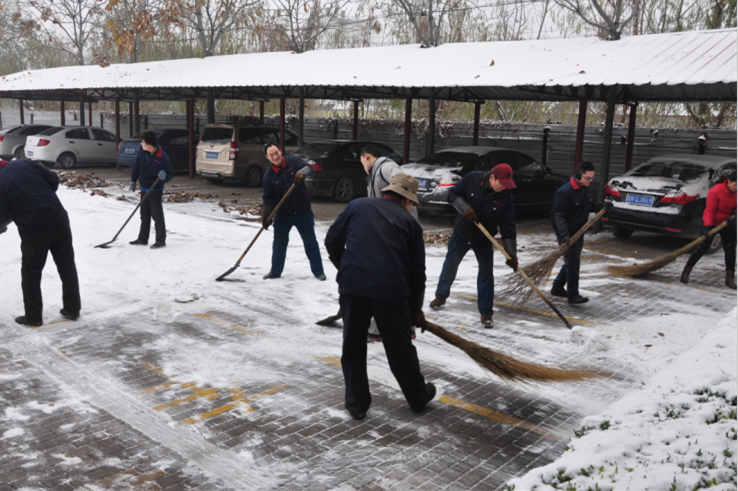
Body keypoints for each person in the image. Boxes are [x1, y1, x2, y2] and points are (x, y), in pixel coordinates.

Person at [324, 173, 435, 420]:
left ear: (388, 192)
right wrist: (415, 311)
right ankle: (418, 397)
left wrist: (347, 268)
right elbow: (418, 275)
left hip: (353, 288)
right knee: (400, 350)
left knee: (352, 347)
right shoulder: (410, 224)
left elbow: (332, 241)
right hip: (390, 291)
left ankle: (356, 405)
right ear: (407, 200)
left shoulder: (356, 205)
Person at [428, 164, 518, 329]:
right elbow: (453, 193)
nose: (503, 187)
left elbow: (508, 227)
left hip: (484, 237)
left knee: (486, 274)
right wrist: (465, 209)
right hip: (462, 231)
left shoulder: (506, 198)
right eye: (501, 183)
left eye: (507, 184)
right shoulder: (472, 179)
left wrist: (512, 254)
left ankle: (486, 314)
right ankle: (441, 295)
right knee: (451, 264)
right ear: (492, 177)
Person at [0, 159, 81, 326]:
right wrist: (43, 197)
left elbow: (1, 217)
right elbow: (53, 179)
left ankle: (33, 316)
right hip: (59, 219)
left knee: (31, 273)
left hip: (34, 230)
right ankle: (72, 309)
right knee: (67, 266)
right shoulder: (25, 163)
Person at [359, 143, 418, 341]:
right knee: (396, 282)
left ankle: (377, 330)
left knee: (384, 282)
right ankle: (404, 326)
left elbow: (404, 181)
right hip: (390, 235)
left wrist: (401, 223)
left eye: (361, 161)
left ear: (366, 156)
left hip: (399, 234)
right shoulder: (375, 174)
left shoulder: (385, 166)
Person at [550, 160, 611, 304]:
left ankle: (557, 287)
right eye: (587, 178)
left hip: (580, 231)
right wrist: (564, 235)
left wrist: (602, 205)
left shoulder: (587, 189)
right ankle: (573, 295)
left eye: (592, 178)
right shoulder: (565, 192)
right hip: (567, 233)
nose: (590, 181)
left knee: (571, 262)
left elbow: (588, 206)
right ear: (578, 175)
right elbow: (558, 215)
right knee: (573, 263)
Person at [262, 143, 326, 281]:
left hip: (302, 212)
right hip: (283, 216)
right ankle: (275, 271)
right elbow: (268, 198)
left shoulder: (294, 161)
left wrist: (302, 173)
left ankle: (318, 271)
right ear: (267, 157)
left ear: (280, 151)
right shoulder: (269, 176)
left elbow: (311, 168)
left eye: (276, 153)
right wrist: (266, 215)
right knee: (279, 243)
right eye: (271, 155)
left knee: (310, 242)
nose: (275, 156)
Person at [680, 172, 737, 289]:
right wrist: (707, 227)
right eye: (735, 184)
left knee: (731, 251)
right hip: (712, 222)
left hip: (728, 223)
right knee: (702, 248)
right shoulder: (716, 191)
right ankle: (686, 272)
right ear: (729, 181)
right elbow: (710, 210)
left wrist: (735, 215)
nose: (736, 188)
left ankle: (730, 279)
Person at [129, 131, 173, 249]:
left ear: (149, 145)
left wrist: (164, 177)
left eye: (142, 142)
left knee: (157, 215)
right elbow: (137, 164)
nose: (141, 144)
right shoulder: (142, 151)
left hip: (155, 190)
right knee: (144, 214)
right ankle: (142, 239)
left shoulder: (162, 157)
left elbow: (170, 175)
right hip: (143, 187)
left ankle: (160, 240)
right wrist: (133, 179)